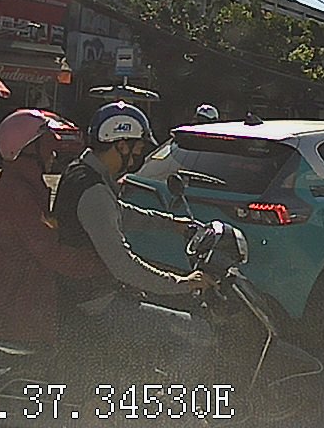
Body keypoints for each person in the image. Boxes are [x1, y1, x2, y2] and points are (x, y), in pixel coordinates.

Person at [48, 102, 215, 381]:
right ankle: (167, 403)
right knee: (198, 333)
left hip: (83, 291)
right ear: (121, 145)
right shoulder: (93, 190)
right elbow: (123, 265)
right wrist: (182, 283)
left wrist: (171, 224)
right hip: (95, 302)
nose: (137, 158)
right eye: (136, 151)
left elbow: (118, 212)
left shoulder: (81, 171)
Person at [0, 109, 104, 349]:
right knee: (95, 340)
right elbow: (50, 252)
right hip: (21, 309)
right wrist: (103, 265)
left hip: (24, 295)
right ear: (27, 149)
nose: (53, 153)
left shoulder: (22, 186)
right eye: (47, 144)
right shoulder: (17, 195)